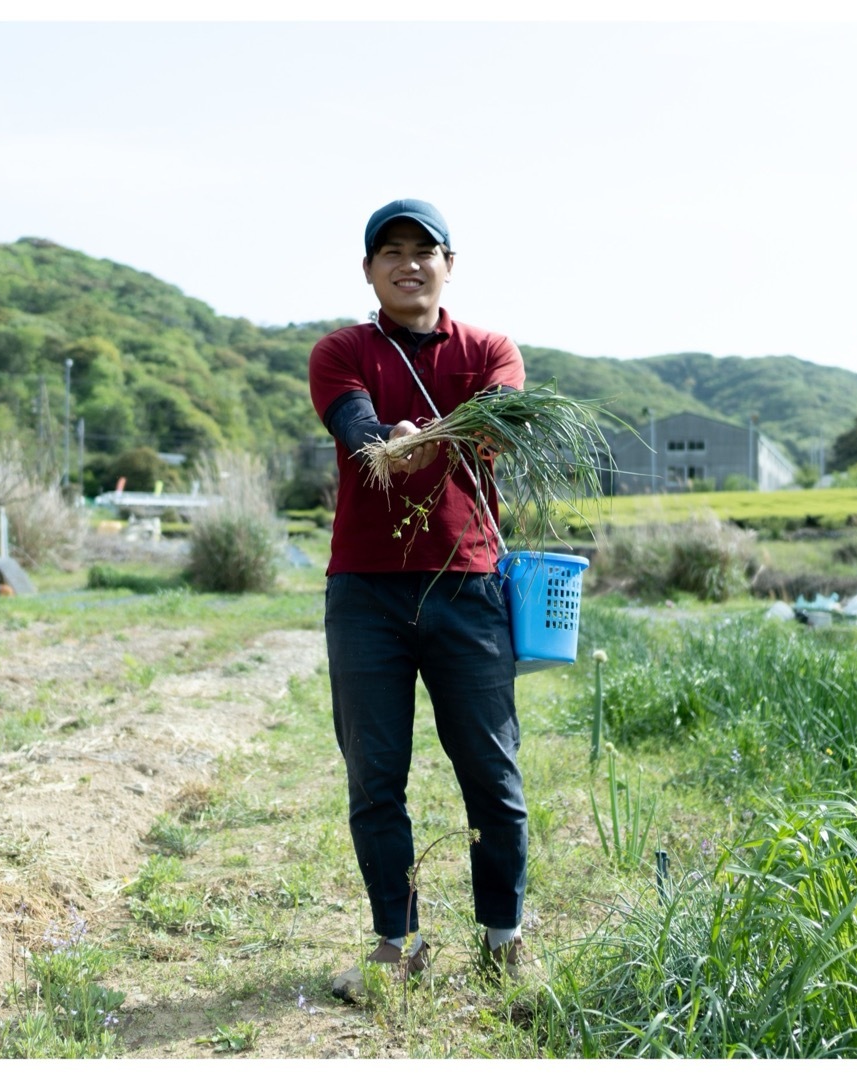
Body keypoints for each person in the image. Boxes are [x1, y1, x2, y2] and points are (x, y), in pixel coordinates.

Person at [308, 198, 530, 1002]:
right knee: (375, 776)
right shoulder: (340, 350)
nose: (408, 263)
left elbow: (501, 418)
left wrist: (424, 440)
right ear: (369, 270)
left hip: (468, 583)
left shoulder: (490, 350)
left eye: (424, 250)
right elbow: (357, 427)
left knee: (492, 773)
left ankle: (505, 939)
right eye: (390, 251)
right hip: (364, 592)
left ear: (448, 264)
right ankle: (396, 941)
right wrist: (385, 445)